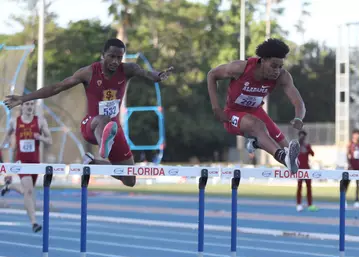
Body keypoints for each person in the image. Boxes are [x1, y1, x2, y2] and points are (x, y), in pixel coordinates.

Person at [3, 38, 174, 187]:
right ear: (103, 55)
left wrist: (157, 76)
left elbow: (146, 73)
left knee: (129, 178)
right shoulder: (89, 72)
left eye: (119, 57)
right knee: (105, 118)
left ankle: (93, 162)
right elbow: (57, 87)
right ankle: (103, 145)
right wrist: (23, 98)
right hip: (91, 125)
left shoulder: (128, 69)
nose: (115, 61)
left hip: (115, 130)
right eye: (111, 56)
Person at [207, 38, 304, 174]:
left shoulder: (282, 76)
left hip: (255, 111)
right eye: (273, 66)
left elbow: (298, 102)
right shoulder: (240, 68)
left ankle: (258, 144)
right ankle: (281, 155)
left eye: (280, 66)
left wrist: (299, 118)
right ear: (263, 60)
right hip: (232, 113)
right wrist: (216, 108)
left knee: (293, 158)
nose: (277, 71)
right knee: (256, 125)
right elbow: (211, 75)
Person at [0, 100, 52, 232]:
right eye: (27, 104)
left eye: (31, 104)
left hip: (35, 163)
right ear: (22, 106)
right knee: (28, 191)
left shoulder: (40, 121)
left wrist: (40, 137)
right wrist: (3, 148)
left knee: (28, 191)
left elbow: (49, 140)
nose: (29, 107)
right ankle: (34, 222)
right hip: (21, 163)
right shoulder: (14, 122)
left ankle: (9, 186)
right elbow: (5, 139)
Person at [295, 130, 318, 212]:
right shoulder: (296, 146)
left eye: (303, 136)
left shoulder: (307, 145)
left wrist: (307, 147)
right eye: (300, 136)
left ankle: (310, 204)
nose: (302, 137)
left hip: (307, 169)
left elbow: (312, 154)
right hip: (299, 169)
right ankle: (299, 204)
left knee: (309, 187)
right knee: (299, 187)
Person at [346, 129, 359, 208]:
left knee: (358, 183)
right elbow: (347, 154)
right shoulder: (350, 143)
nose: (356, 136)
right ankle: (344, 199)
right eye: (355, 134)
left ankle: (357, 200)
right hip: (351, 164)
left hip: (358, 165)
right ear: (353, 135)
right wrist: (349, 164)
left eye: (358, 134)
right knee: (347, 182)